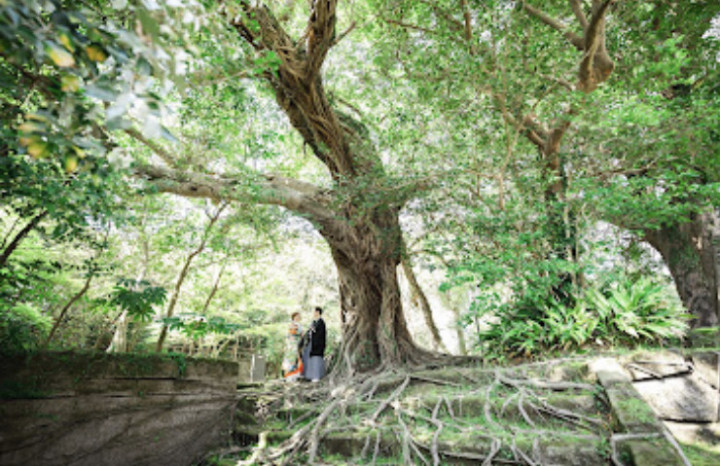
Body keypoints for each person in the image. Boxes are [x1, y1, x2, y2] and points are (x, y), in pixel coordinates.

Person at [302, 307, 326, 382]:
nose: (313, 313)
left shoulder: (321, 322)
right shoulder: (313, 322)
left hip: (317, 344)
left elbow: (321, 334)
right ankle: (309, 375)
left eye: (314, 312)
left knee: (316, 359)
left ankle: (316, 376)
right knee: (309, 358)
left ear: (318, 312)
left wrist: (314, 331)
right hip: (311, 343)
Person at [282, 312, 303, 380]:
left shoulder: (298, 324)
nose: (298, 318)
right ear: (293, 317)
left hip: (297, 343)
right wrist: (301, 332)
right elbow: (294, 332)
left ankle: (294, 374)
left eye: (299, 316)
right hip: (292, 344)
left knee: (296, 358)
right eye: (296, 316)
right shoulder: (293, 324)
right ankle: (289, 375)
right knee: (291, 358)